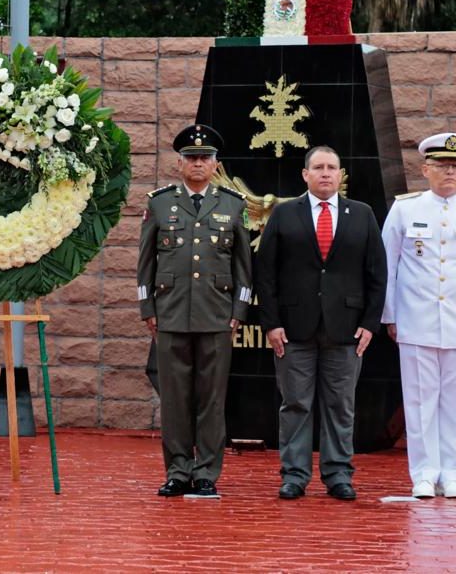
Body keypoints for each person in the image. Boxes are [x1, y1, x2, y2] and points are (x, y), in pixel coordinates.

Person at [255, 145, 387, 501]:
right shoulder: (284, 215)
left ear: (341, 175)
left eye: (332, 167)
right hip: (293, 328)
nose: (326, 173)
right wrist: (272, 323)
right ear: (305, 175)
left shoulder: (362, 214)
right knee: (295, 404)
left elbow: (377, 273)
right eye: (318, 167)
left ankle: (338, 474)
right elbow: (264, 273)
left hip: (346, 329)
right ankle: (294, 475)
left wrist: (370, 323)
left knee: (340, 406)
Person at [137, 124, 252, 497]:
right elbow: (146, 263)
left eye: (205, 158)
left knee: (211, 399)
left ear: (216, 163)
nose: (198, 163)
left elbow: (243, 267)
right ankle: (177, 471)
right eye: (191, 158)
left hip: (217, 315)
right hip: (170, 314)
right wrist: (147, 308)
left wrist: (239, 310)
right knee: (174, 399)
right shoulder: (160, 203)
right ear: (180, 163)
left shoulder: (233, 205)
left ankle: (206, 472)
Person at [381, 133, 456, 500]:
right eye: (442, 166)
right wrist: (390, 314)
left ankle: (453, 474)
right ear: (425, 169)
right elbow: (389, 265)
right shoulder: (405, 209)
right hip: (416, 318)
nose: (449, 172)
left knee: (455, 402)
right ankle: (424, 474)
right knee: (419, 401)